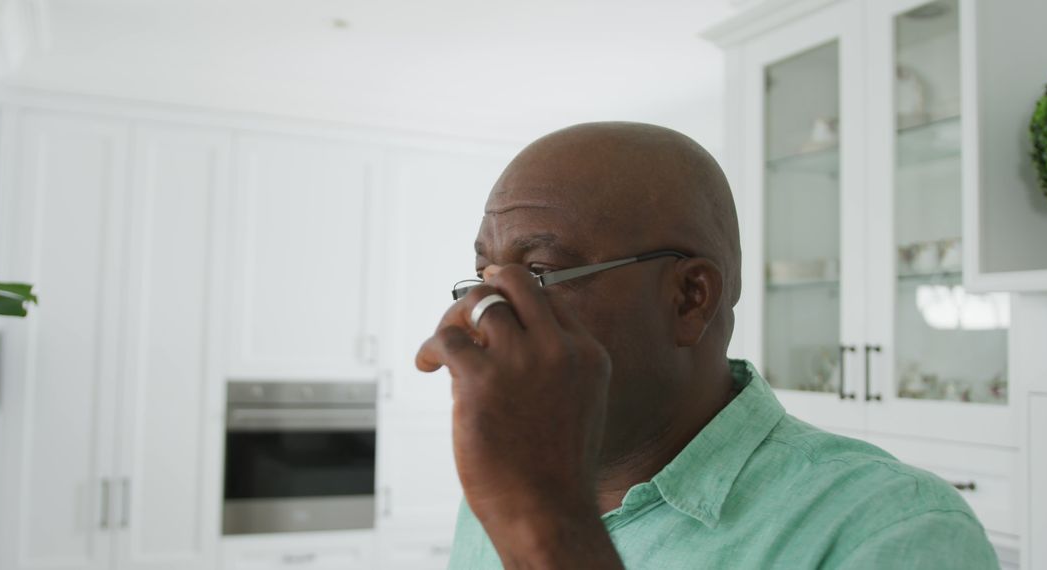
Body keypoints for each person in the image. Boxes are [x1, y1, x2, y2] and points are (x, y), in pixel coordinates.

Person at [415, 122, 998, 569]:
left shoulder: (890, 529)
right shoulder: (506, 485)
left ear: (690, 298)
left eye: (538, 271)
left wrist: (543, 530)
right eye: (483, 276)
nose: (484, 318)